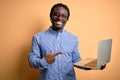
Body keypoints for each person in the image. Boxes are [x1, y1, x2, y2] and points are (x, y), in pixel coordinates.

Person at [28, 3, 106, 80]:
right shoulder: (38, 38)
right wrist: (44, 61)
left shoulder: (73, 38)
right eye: (56, 14)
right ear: (51, 16)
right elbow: (31, 61)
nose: (59, 18)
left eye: (63, 16)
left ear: (67, 19)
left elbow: (76, 61)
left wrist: (94, 65)